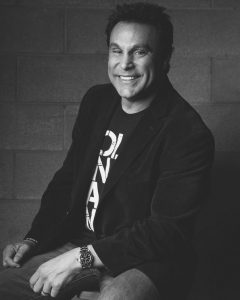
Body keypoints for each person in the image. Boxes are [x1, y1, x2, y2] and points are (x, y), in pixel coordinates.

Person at [0, 2, 214, 300]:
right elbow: (67, 182)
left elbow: (166, 232)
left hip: (147, 260)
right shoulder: (97, 102)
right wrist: (34, 239)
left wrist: (80, 259)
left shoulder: (187, 132)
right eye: (117, 50)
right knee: (5, 286)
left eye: (140, 52)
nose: (125, 64)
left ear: (165, 58)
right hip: (79, 244)